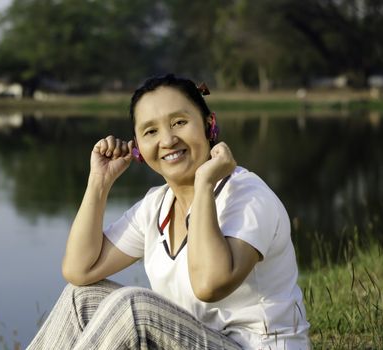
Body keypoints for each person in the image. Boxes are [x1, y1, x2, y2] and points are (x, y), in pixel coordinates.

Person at [25, 74, 310, 350]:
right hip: (197, 341)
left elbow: (210, 284)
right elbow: (79, 270)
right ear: (137, 147)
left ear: (209, 124)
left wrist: (204, 183)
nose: (168, 139)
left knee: (134, 308)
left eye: (179, 122)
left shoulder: (248, 195)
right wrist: (99, 182)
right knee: (81, 297)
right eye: (151, 131)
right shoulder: (156, 206)